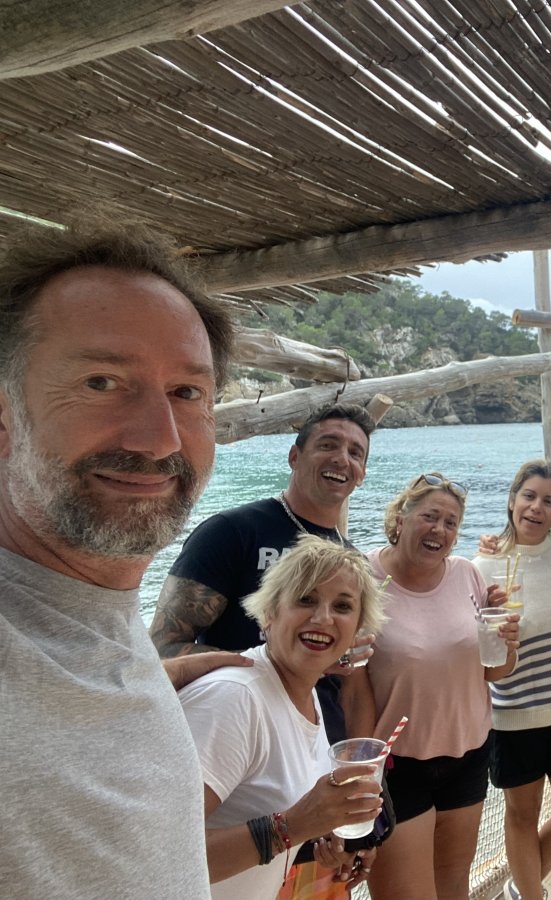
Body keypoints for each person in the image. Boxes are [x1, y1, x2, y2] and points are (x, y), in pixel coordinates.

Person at [0, 218, 237, 895]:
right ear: (3, 417)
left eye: (187, 393)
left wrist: (155, 677)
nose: (160, 439)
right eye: (103, 382)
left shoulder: (94, 614)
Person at [151, 401, 378, 740]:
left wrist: (362, 765)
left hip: (320, 742)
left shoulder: (352, 562)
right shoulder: (232, 532)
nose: (342, 459)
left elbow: (355, 687)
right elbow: (161, 648)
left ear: (360, 474)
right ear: (294, 457)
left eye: (356, 453)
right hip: (237, 733)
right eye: (328, 445)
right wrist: (279, 663)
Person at [178, 535, 388, 899]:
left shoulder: (305, 694)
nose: (323, 618)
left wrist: (317, 831)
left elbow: (264, 813)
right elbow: (161, 850)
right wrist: (293, 826)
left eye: (342, 606)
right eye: (305, 599)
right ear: (269, 613)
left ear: (357, 629)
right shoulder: (236, 699)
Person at [365, 472, 519, 900]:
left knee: (453, 885)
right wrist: (360, 766)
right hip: (397, 763)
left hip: (467, 752)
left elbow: (493, 672)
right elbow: (349, 679)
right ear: (400, 517)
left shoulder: (467, 575)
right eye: (429, 516)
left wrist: (507, 643)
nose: (440, 530)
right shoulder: (364, 576)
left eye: (451, 523)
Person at [473, 460, 551, 900]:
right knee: (521, 816)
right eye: (528, 496)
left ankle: (518, 885)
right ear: (512, 500)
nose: (536, 507)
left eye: (549, 501)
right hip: (513, 716)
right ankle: (531, 894)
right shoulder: (484, 566)